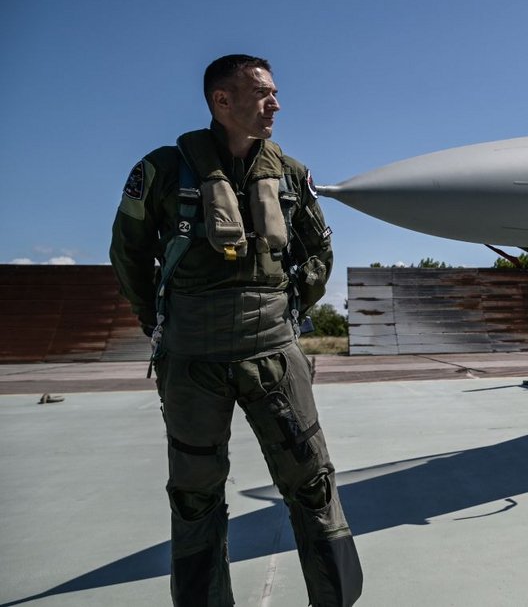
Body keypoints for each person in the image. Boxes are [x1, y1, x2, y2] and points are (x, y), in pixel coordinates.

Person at [110, 55, 362, 606]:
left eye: (275, 93)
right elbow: (127, 252)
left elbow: (318, 252)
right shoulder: (163, 170)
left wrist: (286, 311)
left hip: (272, 352)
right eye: (263, 93)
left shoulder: (290, 173)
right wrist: (158, 321)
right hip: (192, 360)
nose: (276, 104)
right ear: (221, 100)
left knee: (313, 484)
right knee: (194, 495)